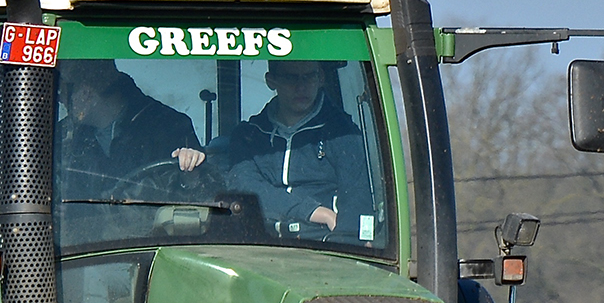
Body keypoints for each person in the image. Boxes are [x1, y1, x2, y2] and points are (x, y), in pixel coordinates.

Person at [208, 58, 375, 237]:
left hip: (324, 241)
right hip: (255, 239)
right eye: (290, 78)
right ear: (271, 81)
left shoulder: (342, 134)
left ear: (321, 78)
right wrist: (314, 211)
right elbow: (245, 188)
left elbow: (357, 201)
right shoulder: (248, 135)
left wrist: (354, 237)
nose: (301, 87)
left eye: (309, 76)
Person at [57, 63, 201, 190]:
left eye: (63, 92)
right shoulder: (62, 137)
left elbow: (199, 195)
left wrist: (189, 176)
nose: (60, 100)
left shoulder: (172, 128)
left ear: (85, 93)